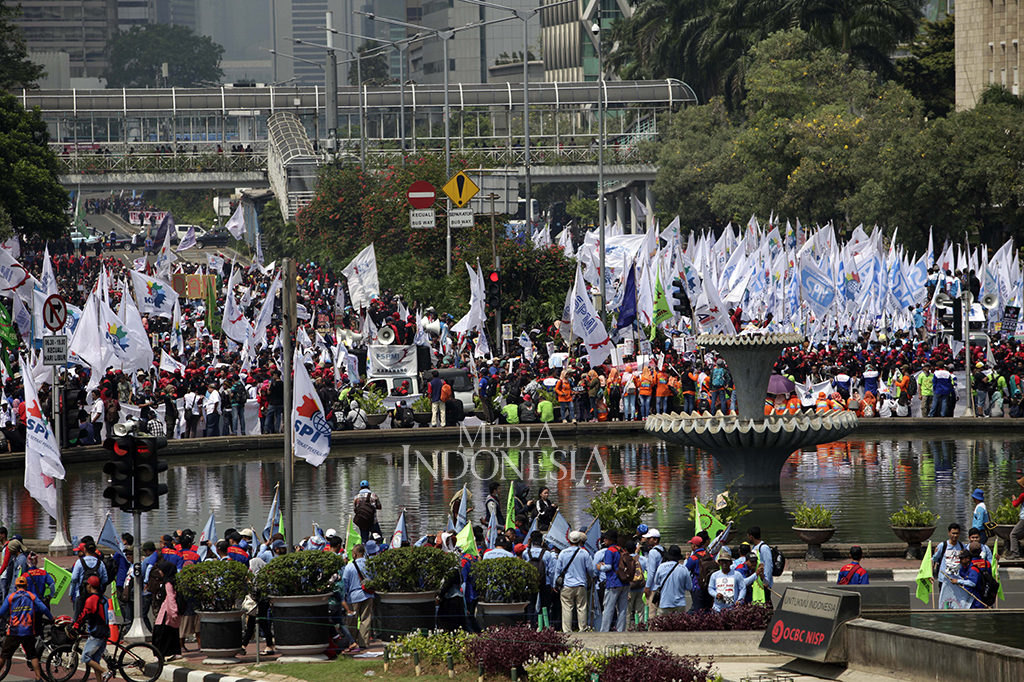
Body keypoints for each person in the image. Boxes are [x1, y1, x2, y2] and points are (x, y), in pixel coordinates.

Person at [0, 574, 53, 682]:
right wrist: (51, 618)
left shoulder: (11, 597)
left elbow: (1, 612)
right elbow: (43, 608)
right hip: (28, 631)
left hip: (14, 631)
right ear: (26, 585)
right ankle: (39, 678)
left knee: (4, 656)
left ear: (16, 586)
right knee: (32, 655)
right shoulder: (31, 595)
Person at [556, 531, 595, 633]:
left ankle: (567, 630)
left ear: (569, 540)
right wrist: (593, 577)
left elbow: (558, 570)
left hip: (566, 585)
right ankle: (583, 628)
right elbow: (590, 569)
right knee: (582, 607)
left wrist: (555, 584)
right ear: (579, 541)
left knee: (567, 608)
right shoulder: (584, 553)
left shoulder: (563, 553)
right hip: (581, 584)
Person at [340, 543, 374, 650]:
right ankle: (364, 643)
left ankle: (351, 642)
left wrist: (344, 596)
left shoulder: (349, 566)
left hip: (353, 597)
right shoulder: (370, 565)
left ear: (354, 554)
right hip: (368, 594)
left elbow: (345, 583)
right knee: (366, 619)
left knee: (351, 621)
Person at [150, 561, 181, 660]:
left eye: (161, 570)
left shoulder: (168, 583)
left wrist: (173, 612)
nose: (160, 572)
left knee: (160, 633)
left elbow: (171, 597)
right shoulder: (175, 580)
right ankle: (176, 652)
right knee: (172, 633)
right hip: (171, 611)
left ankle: (160, 654)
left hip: (167, 612)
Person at [931, 523, 967, 608]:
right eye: (953, 533)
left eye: (957, 533)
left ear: (959, 533)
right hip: (944, 580)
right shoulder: (942, 546)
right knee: (945, 602)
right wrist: (931, 574)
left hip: (957, 579)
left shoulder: (962, 546)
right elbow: (934, 559)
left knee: (958, 602)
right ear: (949, 533)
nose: (955, 535)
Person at [650, 545, 692, 615]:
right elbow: (689, 587)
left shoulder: (661, 567)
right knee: (679, 621)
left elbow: (657, 582)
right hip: (680, 603)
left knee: (663, 621)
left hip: (664, 602)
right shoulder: (684, 569)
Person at [747, 526, 775, 608]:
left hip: (763, 581)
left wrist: (766, 581)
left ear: (751, 536)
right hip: (757, 581)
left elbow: (768, 565)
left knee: (766, 603)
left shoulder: (763, 548)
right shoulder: (754, 547)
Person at [1008, 476, 1024, 559]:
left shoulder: (1023, 495)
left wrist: (1014, 499)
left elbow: (1015, 504)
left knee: (1013, 535)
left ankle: (1015, 554)